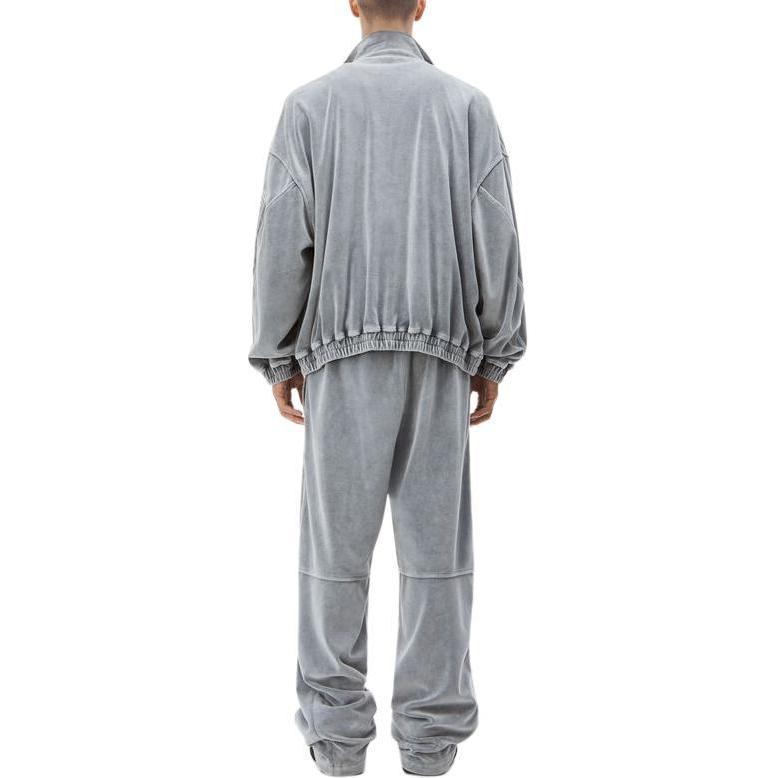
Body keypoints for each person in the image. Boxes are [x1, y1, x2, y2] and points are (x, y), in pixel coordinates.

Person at [249, 1, 526, 774]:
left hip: (340, 360)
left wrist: (278, 353)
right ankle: (431, 747)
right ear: (423, 4)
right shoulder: (466, 107)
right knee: (437, 560)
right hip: (441, 356)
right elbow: (496, 233)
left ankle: (337, 746)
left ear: (350, 2)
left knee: (334, 559)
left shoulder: (308, 107)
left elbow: (283, 235)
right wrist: (494, 353)